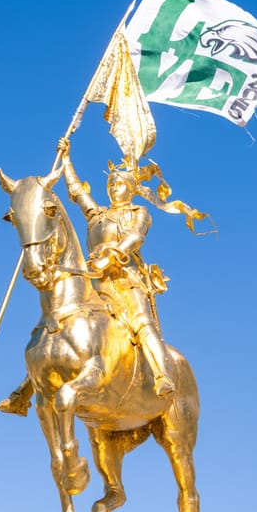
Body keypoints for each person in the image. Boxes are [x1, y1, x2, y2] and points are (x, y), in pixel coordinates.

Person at [59, 137, 175, 397]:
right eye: (111, 184)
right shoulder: (97, 215)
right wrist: (65, 159)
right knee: (60, 319)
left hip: (124, 278)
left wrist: (110, 257)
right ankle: (27, 388)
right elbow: (77, 192)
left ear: (131, 188)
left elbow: (135, 238)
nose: (114, 188)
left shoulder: (138, 212)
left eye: (120, 183)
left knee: (143, 323)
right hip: (93, 280)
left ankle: (162, 376)